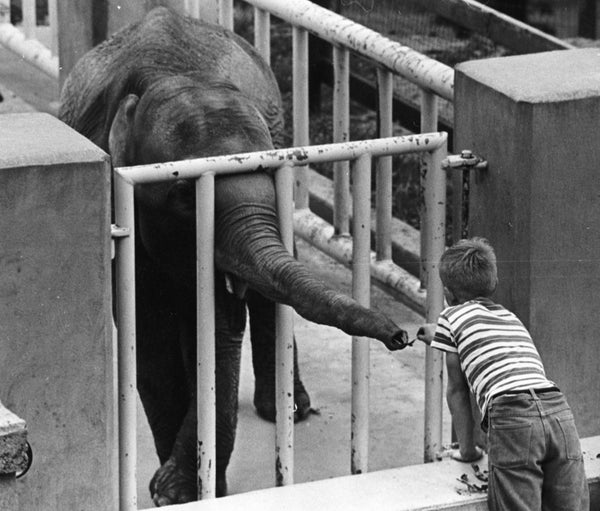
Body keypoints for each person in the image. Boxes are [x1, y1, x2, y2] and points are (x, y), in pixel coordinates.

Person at [416, 237, 588, 510]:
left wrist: (468, 449)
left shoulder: (450, 317)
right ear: (494, 284)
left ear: (448, 294)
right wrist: (434, 335)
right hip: (559, 412)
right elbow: (481, 340)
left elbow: (457, 391)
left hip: (513, 416)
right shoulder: (510, 317)